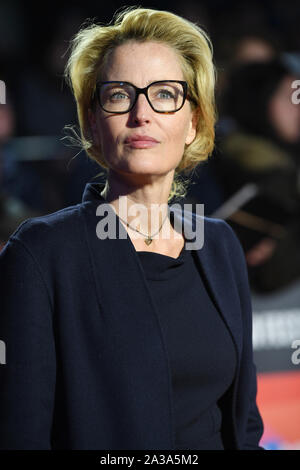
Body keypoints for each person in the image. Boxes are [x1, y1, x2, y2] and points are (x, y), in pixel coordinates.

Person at [0, 7, 264, 450]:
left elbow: (244, 424)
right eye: (120, 95)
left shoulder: (219, 244)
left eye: (164, 94)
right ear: (91, 122)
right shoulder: (41, 254)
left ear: (193, 122)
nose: (142, 114)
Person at [214, 59, 300, 293]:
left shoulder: (289, 161)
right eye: (288, 97)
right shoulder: (237, 168)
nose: (298, 107)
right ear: (259, 102)